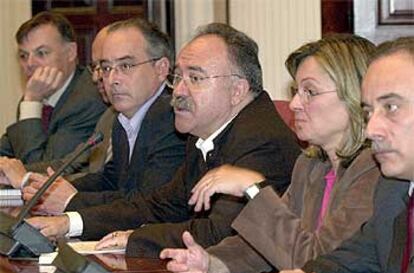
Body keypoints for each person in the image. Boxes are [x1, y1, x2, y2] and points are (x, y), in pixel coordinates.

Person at [26, 23, 300, 258]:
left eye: (195, 78)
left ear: (237, 90)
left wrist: (135, 238)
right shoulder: (203, 133)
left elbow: (218, 233)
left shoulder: (262, 141)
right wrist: (71, 223)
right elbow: (161, 204)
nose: (178, 90)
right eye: (179, 77)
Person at [159, 34, 382, 273]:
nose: (295, 103)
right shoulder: (310, 165)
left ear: (356, 96)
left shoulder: (374, 170)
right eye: (296, 91)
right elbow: (270, 243)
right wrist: (211, 261)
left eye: (310, 91)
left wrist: (253, 188)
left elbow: (317, 262)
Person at [254, 37, 414, 273]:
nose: (371, 129)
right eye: (368, 112)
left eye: (391, 107)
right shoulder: (394, 187)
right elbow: (353, 260)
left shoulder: (378, 175)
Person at [21, 17, 187, 215]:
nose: (112, 79)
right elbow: (110, 179)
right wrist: (54, 188)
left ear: (161, 69)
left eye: (125, 66)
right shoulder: (123, 118)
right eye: (107, 68)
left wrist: (71, 201)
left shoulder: (172, 119)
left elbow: (147, 201)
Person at [0, 26, 115, 187]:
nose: (30, 64)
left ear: (70, 52)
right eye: (23, 56)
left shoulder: (90, 98)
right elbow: (8, 150)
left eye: (41, 53)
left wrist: (32, 101)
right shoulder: (35, 94)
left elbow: (46, 169)